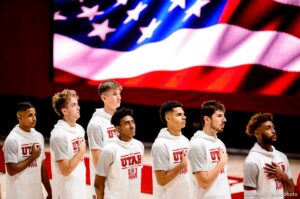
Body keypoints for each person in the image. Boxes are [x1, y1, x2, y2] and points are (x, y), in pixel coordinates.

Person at [2, 102, 52, 199]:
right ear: (20, 117)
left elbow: (42, 167)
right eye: (30, 115)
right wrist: (32, 157)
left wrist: (50, 191)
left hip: (36, 194)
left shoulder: (39, 136)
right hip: (18, 194)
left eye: (35, 115)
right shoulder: (12, 139)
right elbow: (11, 170)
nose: (34, 118)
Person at [94, 107, 144, 199]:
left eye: (132, 122)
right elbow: (98, 183)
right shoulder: (109, 150)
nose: (132, 126)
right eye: (126, 123)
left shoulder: (139, 145)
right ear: (118, 128)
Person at [243, 113, 296, 199]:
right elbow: (249, 197)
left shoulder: (282, 157)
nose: (273, 131)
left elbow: (291, 192)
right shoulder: (252, 161)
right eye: (268, 128)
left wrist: (283, 176)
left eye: (273, 127)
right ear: (257, 133)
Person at [188, 100, 231, 199]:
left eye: (223, 116)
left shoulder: (220, 143)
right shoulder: (197, 145)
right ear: (207, 119)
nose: (224, 120)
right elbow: (204, 183)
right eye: (219, 116)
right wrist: (221, 163)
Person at [87, 80, 122, 198]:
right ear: (104, 98)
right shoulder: (96, 123)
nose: (119, 97)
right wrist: (103, 183)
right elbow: (97, 156)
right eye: (114, 94)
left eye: (119, 93)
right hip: (105, 180)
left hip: (119, 176)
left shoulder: (121, 119)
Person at [151, 101, 193, 199]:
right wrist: (181, 166)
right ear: (168, 118)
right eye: (179, 115)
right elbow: (161, 180)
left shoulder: (185, 140)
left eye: (183, 114)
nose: (184, 117)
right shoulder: (160, 145)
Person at [50, 89, 87, 199]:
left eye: (78, 104)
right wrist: (80, 152)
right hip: (66, 192)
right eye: (74, 105)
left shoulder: (80, 129)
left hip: (80, 187)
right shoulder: (58, 135)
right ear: (64, 111)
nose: (78, 107)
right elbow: (65, 170)